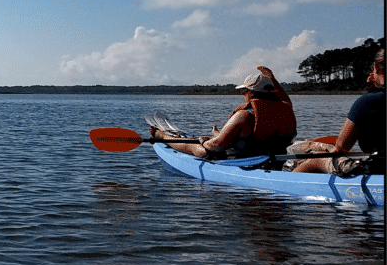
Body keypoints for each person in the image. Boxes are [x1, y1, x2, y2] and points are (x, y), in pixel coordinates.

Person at [150, 66, 296, 159]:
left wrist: (203, 141)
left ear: (250, 93)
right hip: (273, 157)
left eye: (244, 91)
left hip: (242, 159)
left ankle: (161, 135)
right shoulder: (285, 108)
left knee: (199, 148)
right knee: (216, 139)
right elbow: (285, 98)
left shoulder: (244, 116)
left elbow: (216, 147)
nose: (243, 94)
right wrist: (272, 80)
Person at [290, 49, 384, 175]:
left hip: (377, 170)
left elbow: (341, 148)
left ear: (378, 68)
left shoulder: (367, 102)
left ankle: (284, 185)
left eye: (372, 69)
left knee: (316, 159)